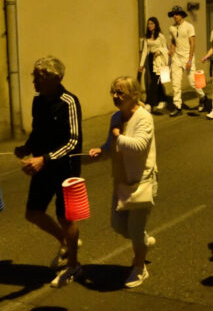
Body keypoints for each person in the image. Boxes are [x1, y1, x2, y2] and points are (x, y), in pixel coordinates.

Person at [13, 56, 84, 288]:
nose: (35, 81)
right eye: (34, 76)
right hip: (42, 166)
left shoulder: (69, 102)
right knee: (33, 213)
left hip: (65, 170)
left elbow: (73, 141)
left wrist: (44, 159)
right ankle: (65, 241)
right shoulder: (39, 101)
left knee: (66, 218)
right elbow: (38, 132)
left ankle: (74, 264)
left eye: (39, 77)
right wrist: (27, 148)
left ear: (56, 78)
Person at [88, 76, 158, 288]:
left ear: (134, 95)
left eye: (120, 93)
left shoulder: (144, 117)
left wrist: (118, 137)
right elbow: (112, 145)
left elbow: (138, 146)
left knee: (135, 230)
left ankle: (139, 268)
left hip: (141, 181)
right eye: (113, 92)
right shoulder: (117, 117)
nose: (115, 96)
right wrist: (102, 150)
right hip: (121, 180)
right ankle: (144, 242)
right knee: (118, 225)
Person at [166, 5, 206, 116]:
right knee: (176, 83)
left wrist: (189, 59)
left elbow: (192, 43)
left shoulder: (189, 26)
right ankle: (177, 106)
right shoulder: (172, 28)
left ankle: (202, 96)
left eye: (177, 14)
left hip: (187, 57)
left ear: (181, 15)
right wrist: (171, 50)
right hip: (176, 58)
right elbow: (174, 41)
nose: (175, 16)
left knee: (193, 82)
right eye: (173, 15)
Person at [137, 17, 168, 114]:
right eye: (148, 24)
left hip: (159, 61)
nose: (150, 25)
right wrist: (141, 65)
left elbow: (166, 49)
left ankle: (149, 103)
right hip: (150, 60)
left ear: (156, 25)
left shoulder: (160, 36)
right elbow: (145, 51)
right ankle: (163, 100)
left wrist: (159, 51)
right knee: (156, 82)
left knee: (154, 82)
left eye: (152, 24)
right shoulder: (147, 37)